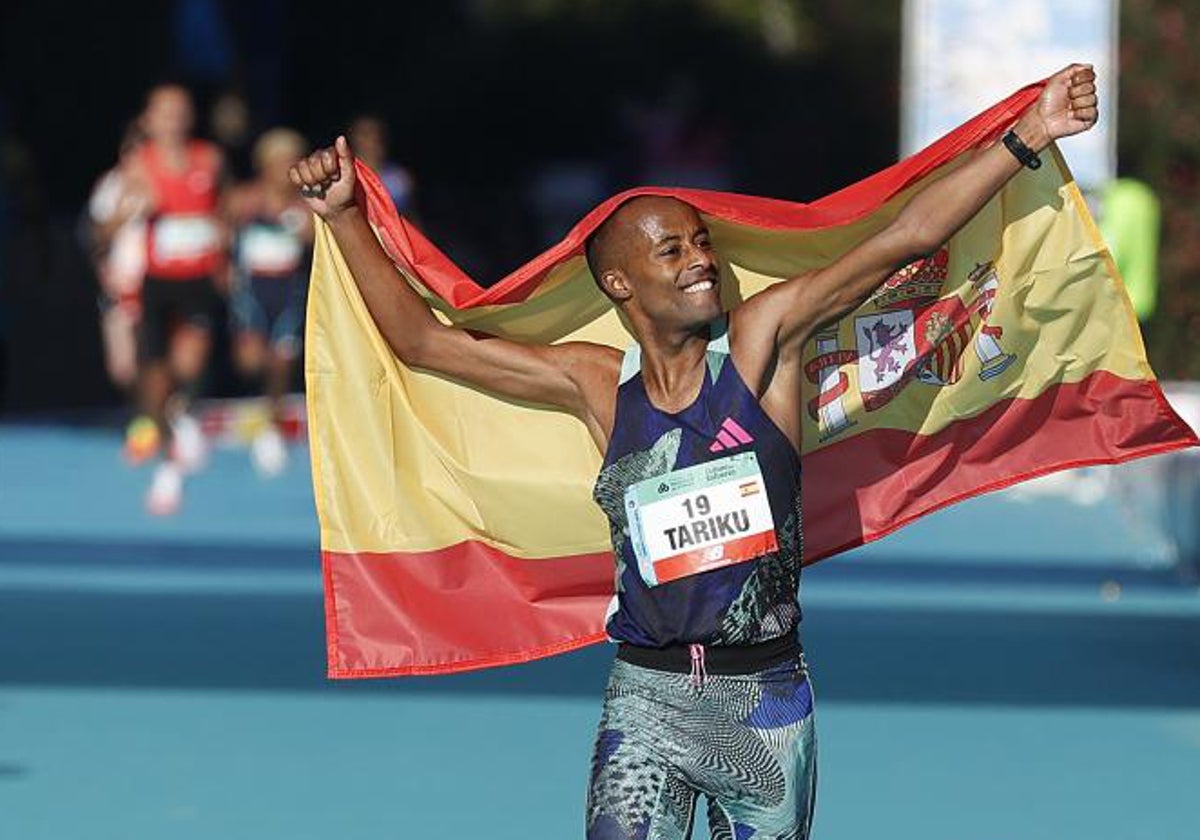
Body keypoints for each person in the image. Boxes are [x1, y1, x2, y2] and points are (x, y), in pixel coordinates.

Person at [291, 65, 1098, 840]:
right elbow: (425, 343)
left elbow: (903, 239)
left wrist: (1028, 133)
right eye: (671, 251)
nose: (702, 260)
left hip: (767, 702)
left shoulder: (762, 346)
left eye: (701, 242)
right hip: (645, 698)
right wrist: (345, 217)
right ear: (619, 284)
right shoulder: (598, 386)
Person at [124, 83, 226, 514]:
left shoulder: (210, 159)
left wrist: (225, 249)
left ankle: (180, 418)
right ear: (149, 119)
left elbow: (223, 210)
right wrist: (135, 206)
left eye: (180, 110)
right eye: (164, 111)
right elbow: (118, 215)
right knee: (155, 374)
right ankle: (167, 449)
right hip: (158, 279)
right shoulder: (138, 162)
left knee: (190, 363)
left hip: (199, 277)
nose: (173, 118)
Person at [225, 127, 312, 476]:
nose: (285, 169)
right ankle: (262, 404)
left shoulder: (305, 205)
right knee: (251, 361)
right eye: (279, 162)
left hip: (288, 287)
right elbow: (221, 234)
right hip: (252, 288)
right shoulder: (245, 199)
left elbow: (315, 241)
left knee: (282, 360)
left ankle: (272, 424)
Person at [87, 122, 149, 396]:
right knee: (123, 367)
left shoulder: (163, 184)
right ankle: (148, 410)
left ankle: (160, 419)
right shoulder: (110, 185)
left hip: (155, 279)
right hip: (121, 281)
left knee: (155, 355)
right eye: (129, 153)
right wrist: (125, 208)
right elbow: (97, 235)